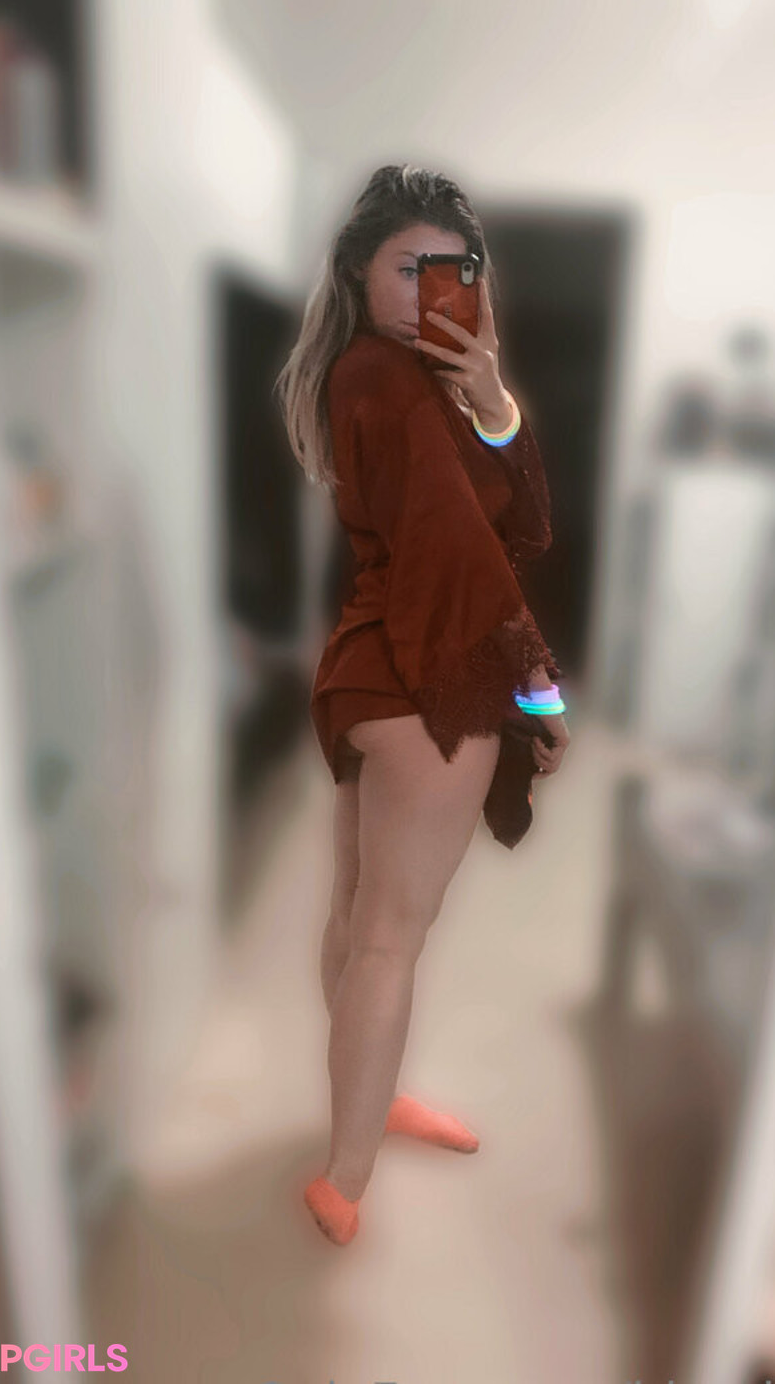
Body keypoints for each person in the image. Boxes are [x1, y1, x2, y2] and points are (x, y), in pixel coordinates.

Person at [275, 164, 570, 1246]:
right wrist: (535, 681)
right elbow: (465, 549)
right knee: (389, 939)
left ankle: (372, 1101)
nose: (435, 287)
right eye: (411, 267)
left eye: (456, 267)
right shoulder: (388, 380)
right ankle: (346, 1176)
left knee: (361, 920)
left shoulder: (402, 377)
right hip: (425, 672)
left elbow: (522, 523)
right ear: (360, 271)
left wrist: (493, 398)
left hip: (372, 667)